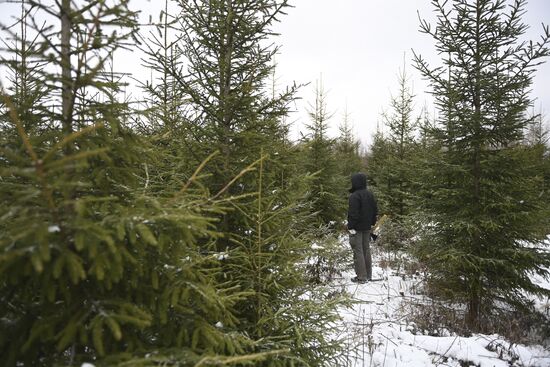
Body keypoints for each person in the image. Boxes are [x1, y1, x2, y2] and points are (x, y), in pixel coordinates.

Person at [347, 172, 378, 283]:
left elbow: (353, 214)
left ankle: (361, 277)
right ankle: (368, 275)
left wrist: (350, 226)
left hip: (357, 228)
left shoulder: (354, 196)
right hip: (367, 227)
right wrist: (372, 223)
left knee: (358, 251)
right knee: (366, 249)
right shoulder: (369, 194)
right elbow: (375, 210)